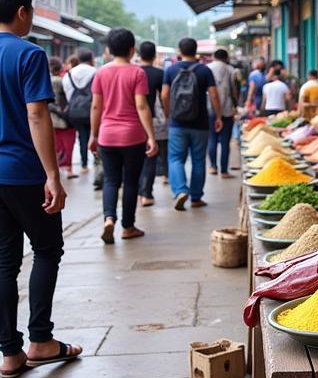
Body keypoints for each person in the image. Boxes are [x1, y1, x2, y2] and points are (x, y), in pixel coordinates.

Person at [0, 0, 81, 378]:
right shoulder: (28, 54)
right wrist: (53, 174)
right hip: (23, 171)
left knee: (3, 261)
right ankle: (40, 340)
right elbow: (36, 115)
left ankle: (9, 353)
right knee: (47, 249)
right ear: (22, 12)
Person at [89, 28, 157, 243]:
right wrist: (151, 136)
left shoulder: (101, 72)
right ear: (132, 49)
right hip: (132, 136)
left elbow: (95, 107)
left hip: (107, 136)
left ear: (108, 49)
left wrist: (93, 135)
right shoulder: (137, 73)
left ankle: (109, 219)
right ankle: (128, 227)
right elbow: (141, 106)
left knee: (110, 180)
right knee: (130, 182)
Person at [162, 37, 221, 211]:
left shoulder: (171, 70)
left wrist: (168, 113)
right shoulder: (204, 70)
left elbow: (165, 95)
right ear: (195, 51)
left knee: (175, 158)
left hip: (177, 123)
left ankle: (180, 190)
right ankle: (196, 197)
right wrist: (218, 116)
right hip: (200, 123)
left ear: (179, 51)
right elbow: (214, 95)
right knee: (198, 160)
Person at [137, 41, 166, 206]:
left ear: (139, 54)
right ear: (154, 56)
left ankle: (136, 190)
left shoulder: (133, 71)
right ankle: (146, 194)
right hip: (152, 120)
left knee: (134, 158)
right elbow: (163, 98)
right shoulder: (159, 74)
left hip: (132, 120)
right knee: (150, 156)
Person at [63, 47, 96, 172]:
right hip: (92, 110)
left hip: (75, 112)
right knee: (94, 135)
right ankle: (97, 162)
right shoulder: (96, 72)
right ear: (91, 59)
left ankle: (84, 164)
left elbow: (67, 93)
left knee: (82, 137)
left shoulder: (69, 74)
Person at [207, 48, 236, 178]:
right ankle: (224, 171)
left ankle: (213, 166)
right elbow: (234, 90)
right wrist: (236, 105)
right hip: (227, 110)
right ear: (226, 57)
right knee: (225, 141)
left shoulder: (207, 68)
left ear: (214, 56)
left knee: (212, 138)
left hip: (210, 109)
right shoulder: (231, 70)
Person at [48, 56, 77, 180]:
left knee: (54, 145)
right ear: (60, 68)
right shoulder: (63, 81)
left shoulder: (44, 80)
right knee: (68, 144)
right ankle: (69, 169)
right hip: (64, 118)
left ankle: (54, 169)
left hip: (49, 119)